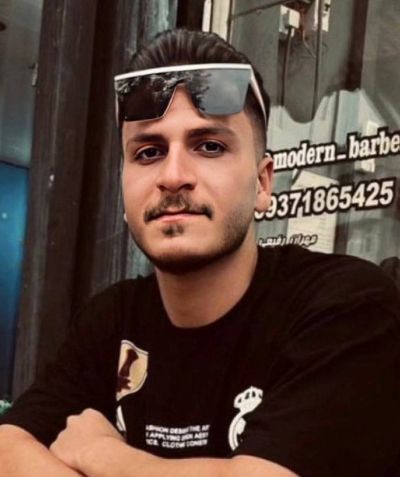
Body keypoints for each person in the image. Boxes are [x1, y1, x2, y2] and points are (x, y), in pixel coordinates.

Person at [1, 28, 400, 477]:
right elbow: (7, 447)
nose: (173, 175)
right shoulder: (112, 321)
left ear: (262, 183)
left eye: (210, 146)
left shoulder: (346, 308)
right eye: (148, 152)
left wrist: (103, 454)